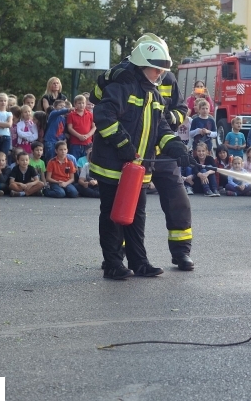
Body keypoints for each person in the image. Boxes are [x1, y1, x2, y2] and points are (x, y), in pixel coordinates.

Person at [91, 37, 189, 280]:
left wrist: (176, 147)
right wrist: (123, 144)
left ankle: (139, 262)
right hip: (114, 166)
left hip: (138, 168)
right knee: (112, 216)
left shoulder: (153, 93)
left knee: (136, 216)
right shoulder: (123, 86)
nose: (160, 74)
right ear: (142, 65)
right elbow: (104, 115)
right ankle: (113, 264)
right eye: (156, 69)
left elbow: (161, 127)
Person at [66, 94, 95, 160]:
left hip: (88, 143)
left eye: (83, 103)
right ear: (75, 104)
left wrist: (87, 135)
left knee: (87, 160)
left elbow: (94, 127)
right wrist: (79, 136)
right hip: (75, 143)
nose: (81, 105)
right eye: (79, 103)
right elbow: (70, 128)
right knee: (74, 161)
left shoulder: (90, 114)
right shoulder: (71, 115)